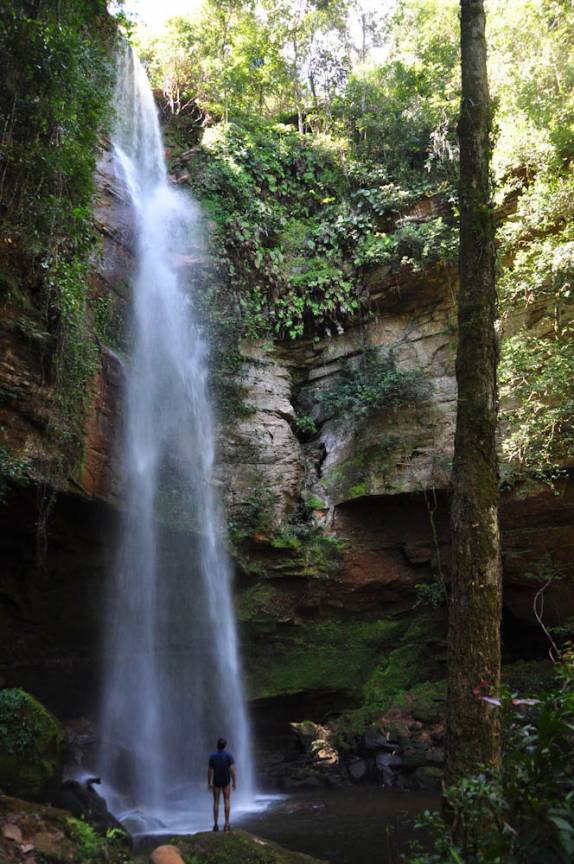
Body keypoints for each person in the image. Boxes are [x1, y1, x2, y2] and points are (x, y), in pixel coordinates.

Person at [208, 737, 236, 832]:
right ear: (225, 746)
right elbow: (232, 770)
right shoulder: (229, 756)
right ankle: (226, 824)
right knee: (227, 800)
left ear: (217, 745)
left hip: (216, 781)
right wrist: (234, 782)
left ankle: (215, 825)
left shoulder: (213, 756)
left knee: (216, 802)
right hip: (226, 781)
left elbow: (210, 770)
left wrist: (209, 782)